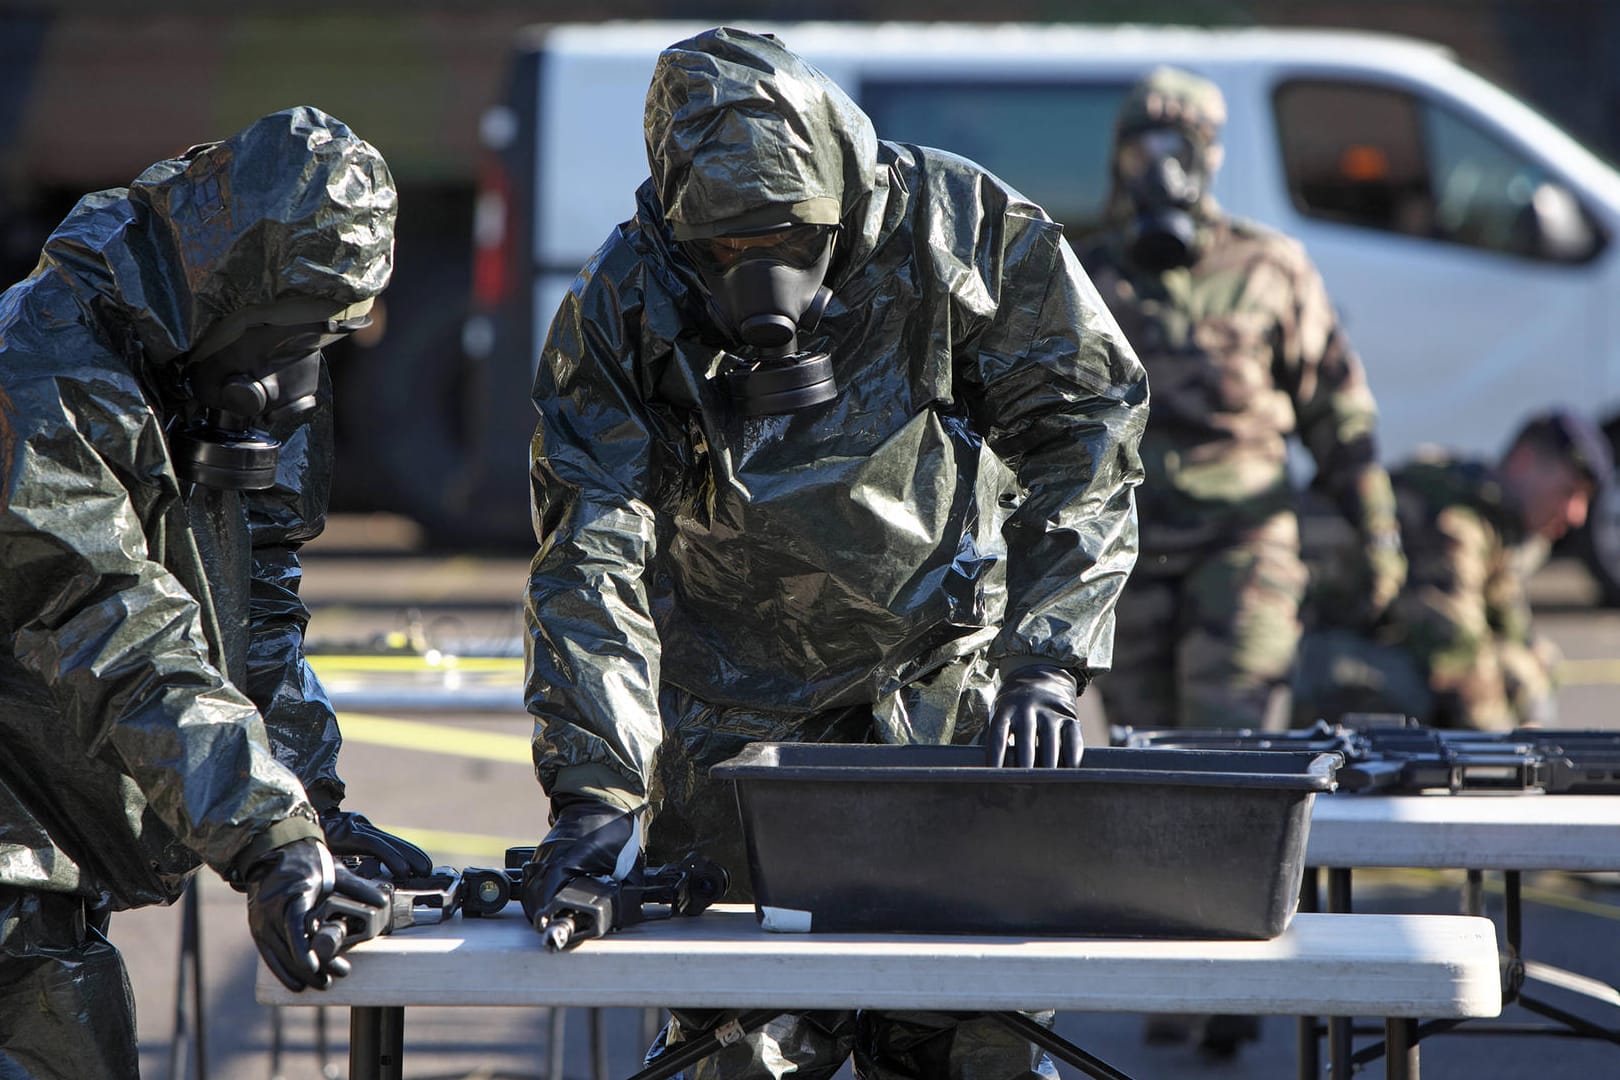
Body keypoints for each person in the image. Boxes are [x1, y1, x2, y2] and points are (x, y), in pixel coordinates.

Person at [520, 26, 1147, 1080]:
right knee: (733, 1045)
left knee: (969, 1039)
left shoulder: (961, 230)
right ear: (679, 225)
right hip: (735, 726)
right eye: (721, 251)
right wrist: (593, 798)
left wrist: (1047, 661)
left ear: (839, 201)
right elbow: (589, 552)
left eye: (781, 240)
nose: (752, 271)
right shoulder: (633, 296)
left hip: (941, 706)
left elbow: (1086, 435)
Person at [0, 106, 424, 1079]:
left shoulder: (229, 364)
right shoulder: (44, 371)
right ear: (225, 286)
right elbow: (109, 623)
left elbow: (257, 605)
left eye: (330, 331)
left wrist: (310, 808)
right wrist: (267, 836)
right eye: (293, 329)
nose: (298, 372)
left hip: (50, 832)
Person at [1074, 66, 1406, 736]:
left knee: (1227, 745)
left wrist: (1377, 535)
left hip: (1243, 547)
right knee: (1139, 758)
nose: (1161, 169)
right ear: (1119, 159)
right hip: (1126, 555)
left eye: (1181, 149)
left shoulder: (1268, 268)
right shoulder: (1084, 275)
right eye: (1144, 151)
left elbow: (1337, 412)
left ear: (1212, 157)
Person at [1295, 408, 1612, 730]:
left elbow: (1515, 637)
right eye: (1569, 492)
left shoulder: (1497, 522)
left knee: (1534, 662)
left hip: (1386, 646)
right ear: (1524, 461)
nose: (1577, 515)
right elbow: (1458, 655)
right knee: (1419, 688)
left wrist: (1530, 697)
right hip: (1335, 665)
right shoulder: (1457, 522)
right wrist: (1512, 757)